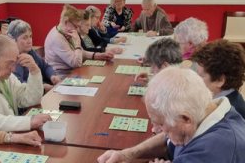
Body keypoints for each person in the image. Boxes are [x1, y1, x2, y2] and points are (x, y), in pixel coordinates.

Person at [98, 67, 245, 163]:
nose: (155, 130)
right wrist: (126, 155)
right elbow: (168, 141)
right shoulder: (205, 110)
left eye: (161, 124)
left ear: (186, 118)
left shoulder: (212, 152)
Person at [44, 4, 113, 77]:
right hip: (61, 75)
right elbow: (76, 63)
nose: (77, 29)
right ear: (66, 22)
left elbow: (80, 52)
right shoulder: (57, 38)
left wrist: (99, 56)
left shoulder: (66, 32)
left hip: (72, 71)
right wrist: (77, 43)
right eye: (76, 26)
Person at [191, 39, 245, 119]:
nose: (195, 80)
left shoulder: (227, 114)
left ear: (220, 80)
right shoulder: (225, 98)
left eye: (201, 76)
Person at [8, 19, 61, 93]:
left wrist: (52, 76)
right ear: (13, 40)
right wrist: (42, 87)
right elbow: (20, 86)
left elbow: (45, 67)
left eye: (30, 36)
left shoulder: (30, 52)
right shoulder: (12, 60)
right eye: (25, 37)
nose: (29, 41)